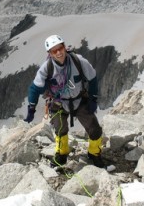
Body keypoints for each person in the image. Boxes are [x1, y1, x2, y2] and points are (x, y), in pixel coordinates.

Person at [24, 34, 105, 168]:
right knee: (60, 130)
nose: (59, 52)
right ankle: (61, 154)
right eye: (54, 50)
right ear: (50, 53)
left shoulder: (79, 61)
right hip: (58, 103)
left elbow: (92, 79)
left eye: (60, 48)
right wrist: (31, 108)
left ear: (64, 47)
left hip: (79, 99)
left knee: (95, 129)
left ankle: (94, 153)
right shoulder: (47, 68)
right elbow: (34, 88)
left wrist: (93, 98)